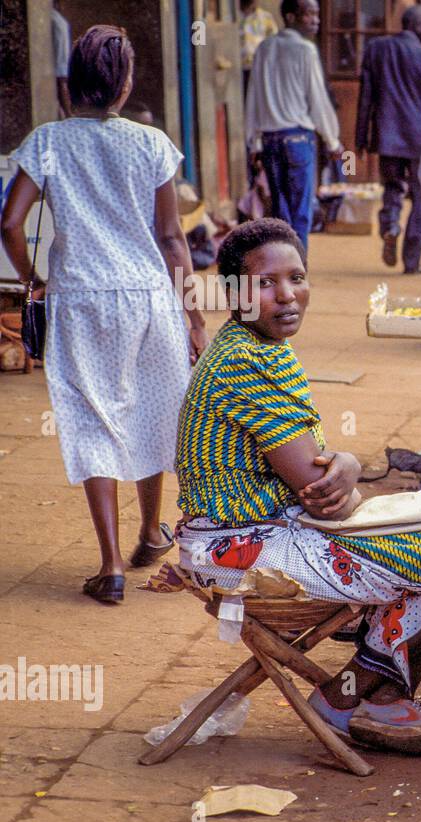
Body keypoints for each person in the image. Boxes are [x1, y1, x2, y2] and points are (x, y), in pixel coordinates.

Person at [172, 218, 421, 754]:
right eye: (265, 283)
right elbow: (326, 496)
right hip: (235, 547)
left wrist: (344, 468)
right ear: (233, 293)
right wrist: (351, 467)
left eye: (297, 277)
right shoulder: (240, 363)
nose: (287, 295)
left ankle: (374, 696)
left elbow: (319, 476)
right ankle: (349, 699)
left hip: (269, 528)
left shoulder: (259, 346)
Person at [1, 25, 206, 604]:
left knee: (94, 419)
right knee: (153, 410)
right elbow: (171, 238)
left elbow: (10, 223)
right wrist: (193, 318)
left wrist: (31, 279)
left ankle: (111, 565)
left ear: (74, 84)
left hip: (82, 297)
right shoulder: (152, 143)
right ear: (125, 84)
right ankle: (149, 531)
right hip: (148, 295)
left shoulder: (48, 141)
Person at [244, 0, 341, 256]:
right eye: (308, 14)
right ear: (290, 16)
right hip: (298, 139)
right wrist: (332, 140)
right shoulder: (305, 50)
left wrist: (253, 141)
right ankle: (298, 272)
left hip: (270, 141)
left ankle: (282, 270)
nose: (315, 20)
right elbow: (317, 99)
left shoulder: (264, 48)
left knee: (281, 212)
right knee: (300, 212)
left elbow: (253, 97)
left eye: (316, 14)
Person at [356, 4, 421, 275]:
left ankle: (390, 226)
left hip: (387, 136)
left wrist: (361, 137)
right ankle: (412, 261)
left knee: (392, 188)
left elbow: (366, 97)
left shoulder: (376, 48)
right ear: (418, 27)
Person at [239, 0, 278, 95]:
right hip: (236, 71)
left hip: (258, 70)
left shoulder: (266, 18)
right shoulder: (232, 17)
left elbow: (274, 44)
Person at [52, 0, 72, 116]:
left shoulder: (56, 17)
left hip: (62, 57)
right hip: (59, 59)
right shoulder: (53, 17)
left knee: (63, 84)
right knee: (62, 84)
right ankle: (68, 114)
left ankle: (67, 113)